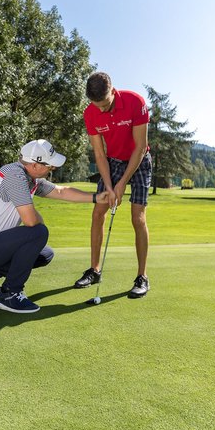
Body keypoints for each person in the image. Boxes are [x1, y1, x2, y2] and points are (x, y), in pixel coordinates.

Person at [0, 139, 108, 313]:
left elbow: (61, 191)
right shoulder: (14, 175)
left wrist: (97, 197)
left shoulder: (30, 179)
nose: (52, 169)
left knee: (44, 254)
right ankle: (9, 294)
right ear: (36, 165)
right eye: (49, 165)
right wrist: (39, 228)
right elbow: (30, 221)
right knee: (37, 232)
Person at [73, 71, 152, 298]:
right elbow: (99, 154)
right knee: (98, 212)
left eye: (105, 104)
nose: (101, 109)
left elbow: (139, 147)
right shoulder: (90, 113)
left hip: (139, 161)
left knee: (138, 217)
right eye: (96, 105)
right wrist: (109, 186)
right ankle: (94, 270)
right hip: (113, 162)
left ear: (112, 90)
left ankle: (142, 277)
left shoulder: (135, 102)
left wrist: (122, 184)